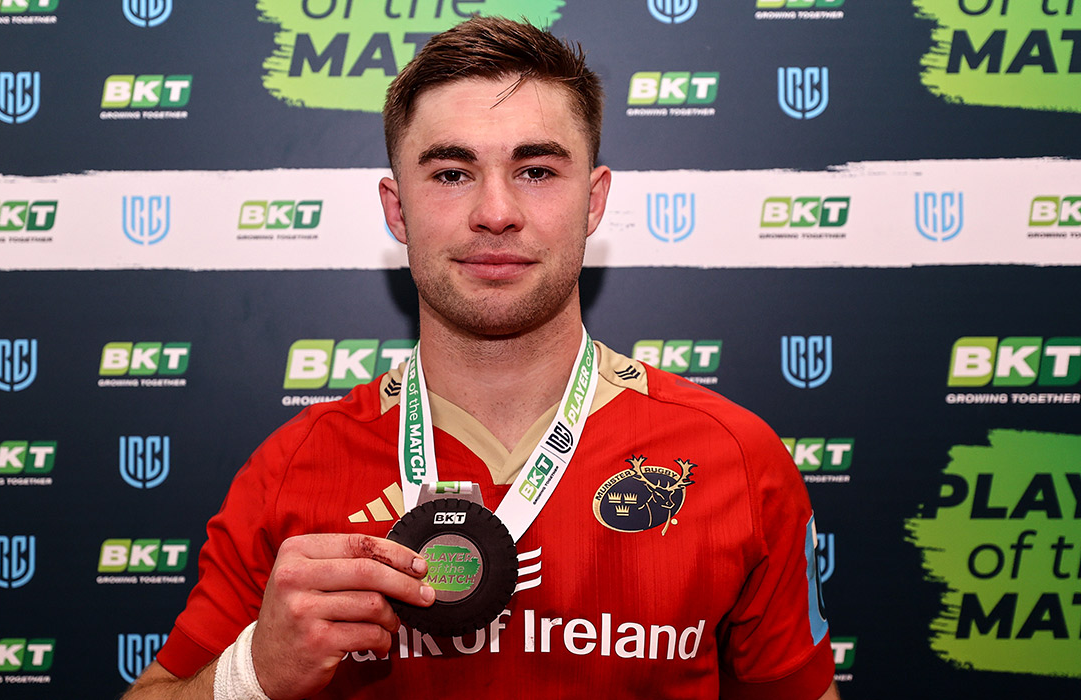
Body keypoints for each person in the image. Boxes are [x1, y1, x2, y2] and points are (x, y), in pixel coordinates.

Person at [123, 16, 839, 700]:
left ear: (594, 203)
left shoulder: (733, 459)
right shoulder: (290, 472)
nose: (496, 211)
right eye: (450, 174)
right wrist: (253, 674)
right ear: (396, 209)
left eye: (535, 170)